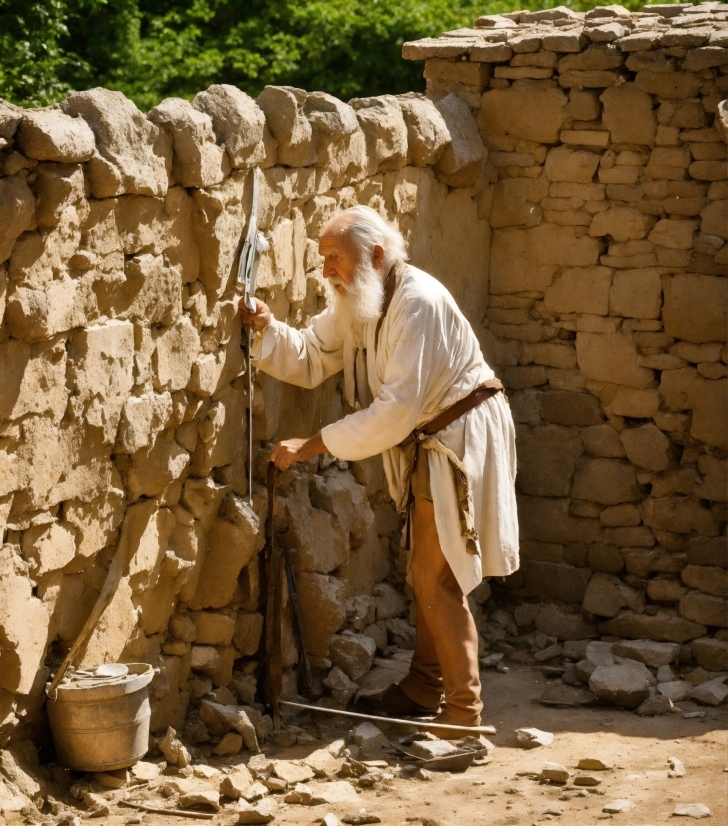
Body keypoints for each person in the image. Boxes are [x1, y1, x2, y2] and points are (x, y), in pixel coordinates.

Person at [239, 205, 519, 734]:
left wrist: (311, 444)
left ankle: (464, 718)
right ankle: (422, 687)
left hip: (459, 436)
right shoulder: (358, 300)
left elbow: (395, 409)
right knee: (425, 571)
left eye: (334, 259)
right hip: (430, 440)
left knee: (438, 578)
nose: (326, 272)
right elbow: (311, 353)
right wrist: (266, 327)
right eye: (322, 260)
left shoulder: (418, 303)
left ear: (374, 255)